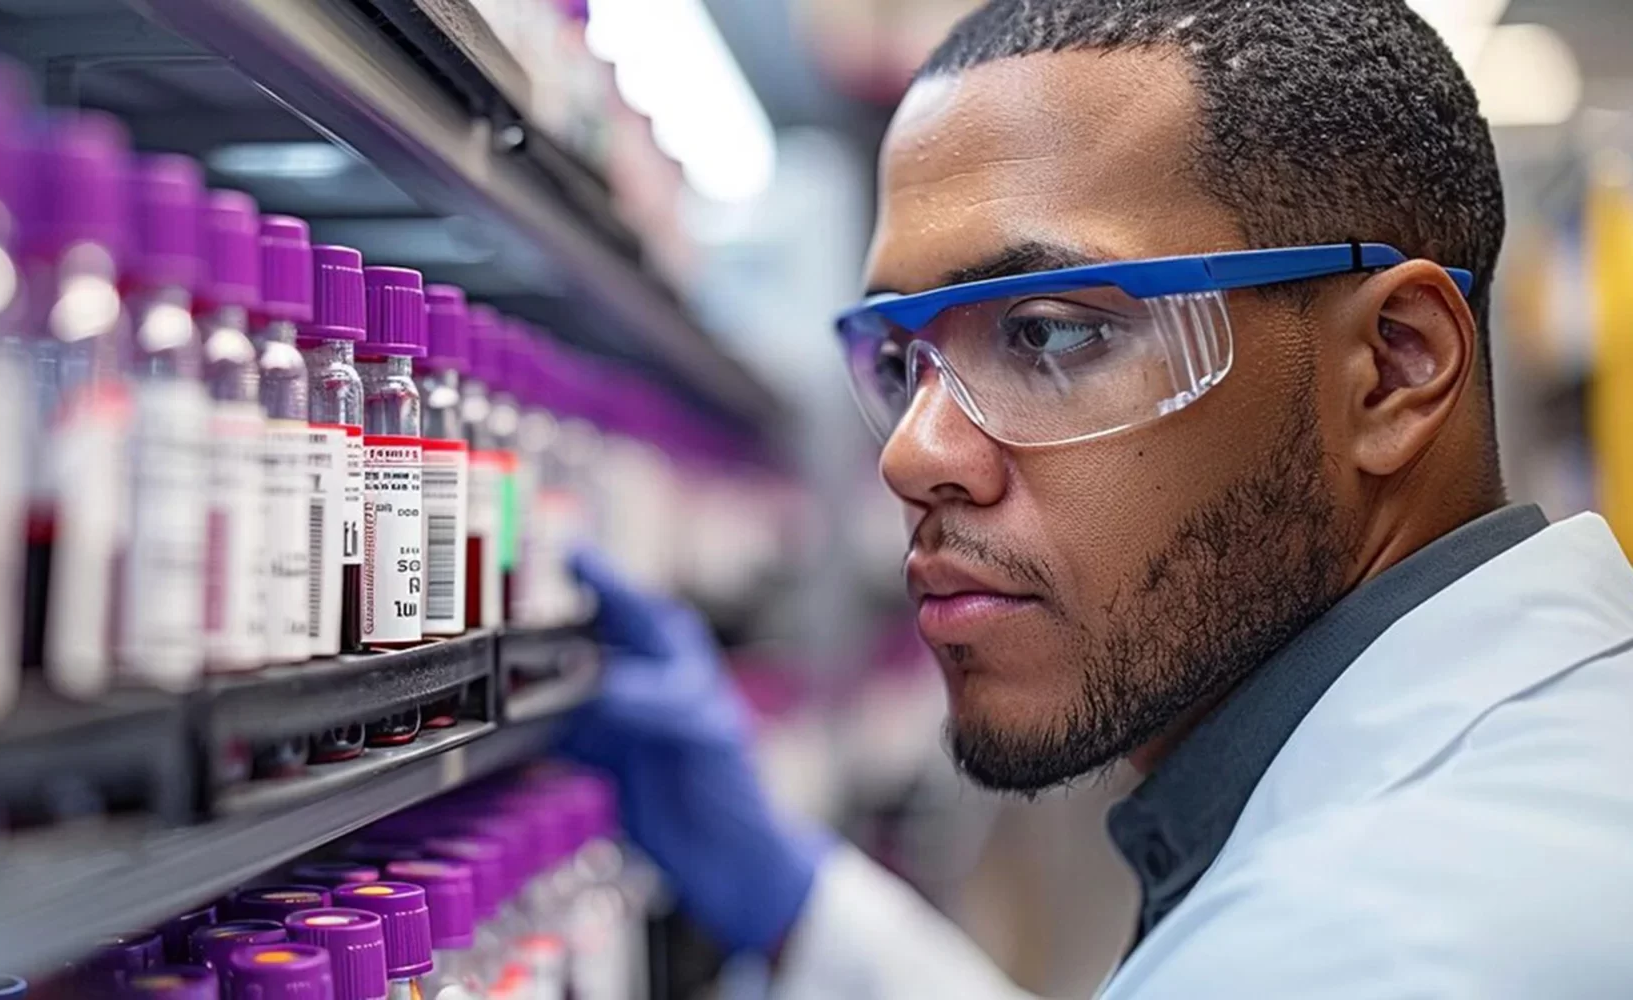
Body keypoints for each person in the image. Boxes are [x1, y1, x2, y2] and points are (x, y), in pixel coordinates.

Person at [562, 0, 1633, 996]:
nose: (910, 453)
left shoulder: (1390, 941)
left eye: (1050, 331)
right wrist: (797, 903)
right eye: (901, 357)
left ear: (1393, 368)